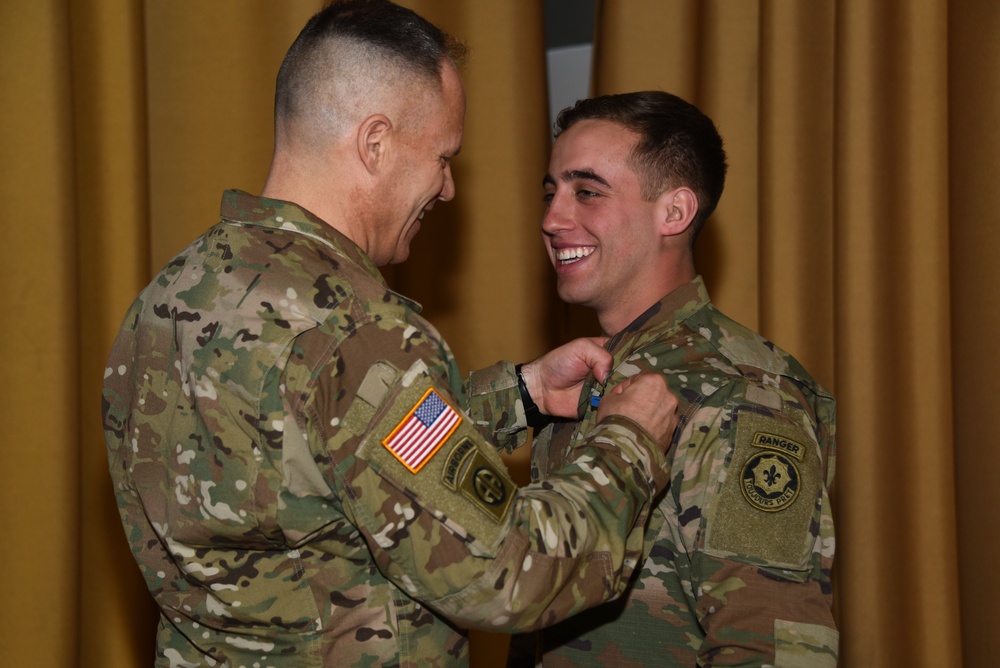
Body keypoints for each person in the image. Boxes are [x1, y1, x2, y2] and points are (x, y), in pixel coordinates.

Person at [100, 3, 679, 667]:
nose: (449, 187)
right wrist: (630, 442)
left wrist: (521, 393)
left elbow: (326, 457)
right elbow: (510, 572)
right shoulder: (353, 331)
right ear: (375, 143)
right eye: (443, 156)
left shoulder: (170, 297)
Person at [508, 91, 838, 666]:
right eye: (551, 192)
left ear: (675, 212)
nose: (552, 220)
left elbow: (771, 644)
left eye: (586, 192)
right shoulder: (583, 376)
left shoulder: (742, 393)